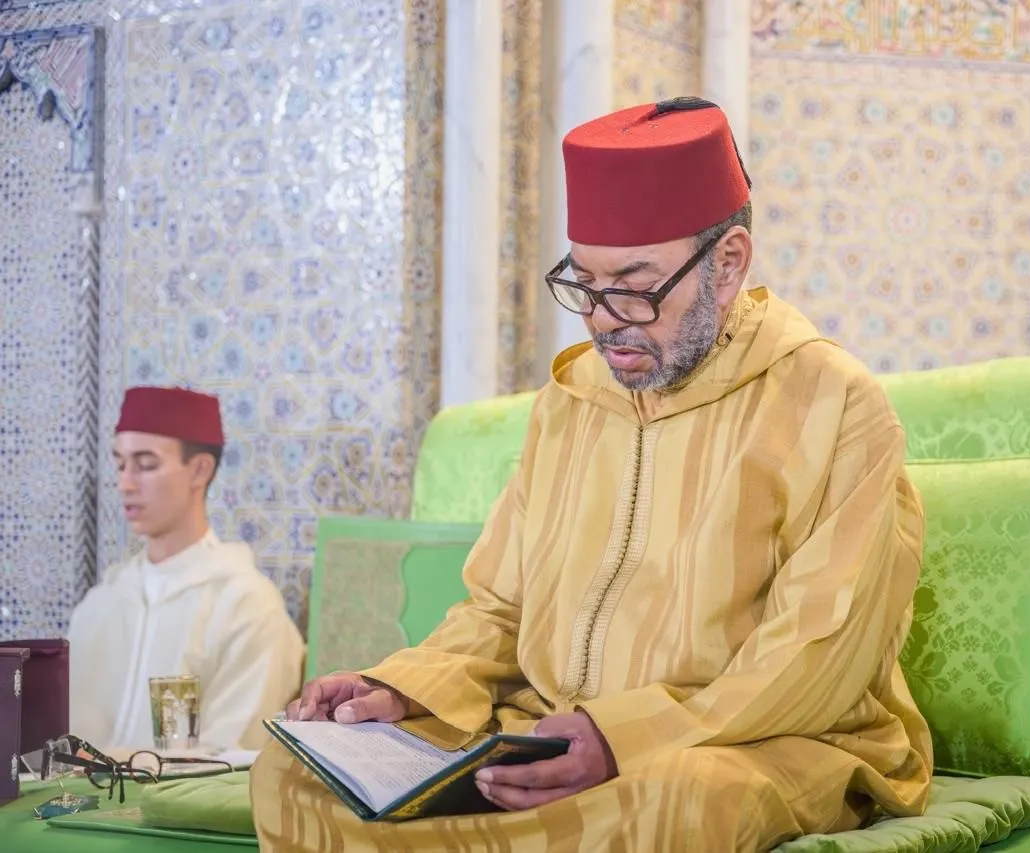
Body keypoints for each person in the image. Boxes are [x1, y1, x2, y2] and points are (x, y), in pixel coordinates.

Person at [252, 97, 932, 851]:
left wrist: (620, 738)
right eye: (585, 286)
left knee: (683, 802)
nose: (605, 319)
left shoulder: (833, 403)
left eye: (635, 287)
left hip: (753, 741)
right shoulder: (569, 403)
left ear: (729, 263)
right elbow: (500, 611)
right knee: (294, 771)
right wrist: (400, 689)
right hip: (544, 732)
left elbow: (818, 651)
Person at [68, 386, 304, 752]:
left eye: (146, 464)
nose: (125, 483)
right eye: (121, 464)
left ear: (199, 470)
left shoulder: (246, 606)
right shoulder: (101, 603)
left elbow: (230, 755)